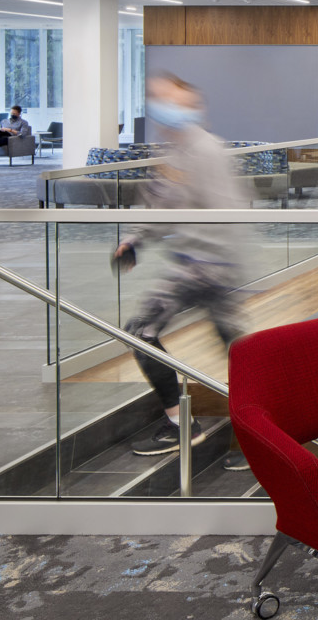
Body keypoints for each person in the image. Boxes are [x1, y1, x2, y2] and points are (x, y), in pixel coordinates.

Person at [116, 73, 250, 461]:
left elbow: (228, 210)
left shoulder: (206, 150)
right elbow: (162, 203)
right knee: (237, 348)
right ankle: (263, 429)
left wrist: (226, 266)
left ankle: (180, 424)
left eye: (169, 98)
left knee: (141, 331)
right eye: (156, 96)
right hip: (200, 265)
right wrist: (135, 238)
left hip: (207, 265)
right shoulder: (174, 150)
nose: (160, 104)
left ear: (193, 106)